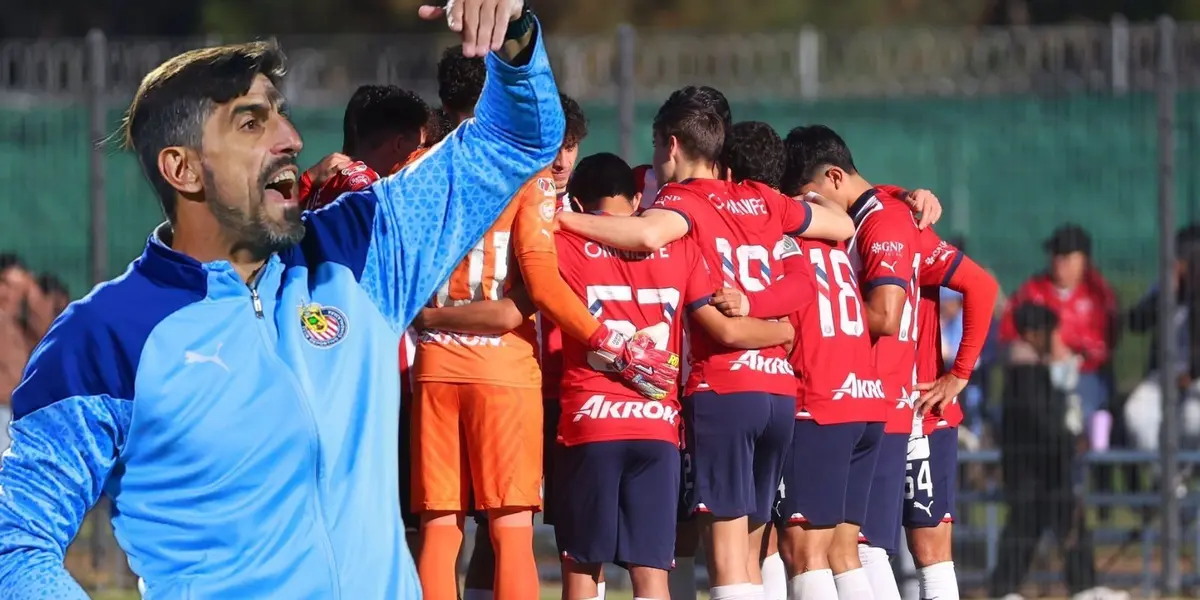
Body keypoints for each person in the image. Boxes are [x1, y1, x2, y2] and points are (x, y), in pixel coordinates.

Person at [0, 2, 560, 597]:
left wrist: (515, 37)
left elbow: (517, 140)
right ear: (182, 169)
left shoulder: (363, 248)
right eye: (251, 123)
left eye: (282, 115)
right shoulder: (104, 335)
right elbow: (16, 543)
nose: (290, 139)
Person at [558, 86, 856, 600]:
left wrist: (559, 217)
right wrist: (772, 314)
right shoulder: (764, 198)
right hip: (779, 394)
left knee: (724, 557)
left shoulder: (681, 201)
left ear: (671, 146)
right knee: (755, 550)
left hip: (724, 388)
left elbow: (648, 236)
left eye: (655, 149)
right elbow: (841, 223)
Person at [409, 90, 679, 600]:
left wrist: (430, 316)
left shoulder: (425, 171)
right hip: (516, 375)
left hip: (443, 365)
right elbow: (533, 295)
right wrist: (611, 342)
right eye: (555, 142)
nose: (560, 157)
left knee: (443, 527)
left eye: (571, 145)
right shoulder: (532, 187)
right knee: (514, 532)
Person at [553, 152, 794, 600]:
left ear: (581, 206)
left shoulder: (565, 242)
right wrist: (783, 329)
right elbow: (722, 326)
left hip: (591, 421)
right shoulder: (680, 247)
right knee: (652, 576)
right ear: (634, 199)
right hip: (658, 427)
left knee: (583, 570)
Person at [716, 121, 889, 600]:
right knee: (842, 552)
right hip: (864, 401)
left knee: (801, 553)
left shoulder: (774, 232)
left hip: (821, 404)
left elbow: (786, 322)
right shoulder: (832, 231)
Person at [781, 124, 942, 600]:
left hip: (877, 398)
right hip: (864, 395)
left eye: (809, 197)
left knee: (845, 548)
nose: (809, 213)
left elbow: (886, 314)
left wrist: (819, 325)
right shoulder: (879, 209)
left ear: (832, 178)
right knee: (846, 549)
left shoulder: (884, 221)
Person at [989, 304, 1128, 600]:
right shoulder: (1024, 372)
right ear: (1034, 335)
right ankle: (1006, 589)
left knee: (1066, 526)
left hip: (1048, 471)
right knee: (1024, 530)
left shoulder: (1035, 370)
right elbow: (1044, 421)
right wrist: (1069, 439)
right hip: (1032, 471)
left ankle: (1084, 586)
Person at [1000, 224, 1118, 450]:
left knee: (1084, 413)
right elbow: (1008, 335)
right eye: (1055, 255)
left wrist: (1070, 351)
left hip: (1086, 375)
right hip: (1038, 377)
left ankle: (1083, 463)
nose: (1059, 262)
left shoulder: (1098, 293)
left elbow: (1105, 343)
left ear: (1083, 259)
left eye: (1066, 256)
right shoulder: (1033, 290)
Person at [301, 85, 430, 210]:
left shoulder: (327, 180)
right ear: (399, 144)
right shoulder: (363, 183)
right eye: (419, 146)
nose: (422, 155)